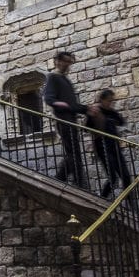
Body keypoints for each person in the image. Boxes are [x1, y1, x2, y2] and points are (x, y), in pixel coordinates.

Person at [44, 51, 89, 189]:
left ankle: (71, 180)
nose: (68, 65)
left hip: (71, 120)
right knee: (73, 153)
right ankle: (73, 181)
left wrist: (87, 109)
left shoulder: (66, 80)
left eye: (70, 62)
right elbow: (49, 98)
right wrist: (59, 104)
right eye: (66, 61)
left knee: (74, 153)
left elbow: (73, 105)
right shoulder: (53, 77)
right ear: (57, 61)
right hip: (64, 121)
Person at [88, 89, 132, 197]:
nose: (111, 103)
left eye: (112, 101)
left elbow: (121, 122)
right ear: (102, 100)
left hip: (115, 147)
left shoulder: (111, 112)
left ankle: (132, 206)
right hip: (102, 147)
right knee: (112, 178)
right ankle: (101, 199)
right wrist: (91, 115)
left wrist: (114, 114)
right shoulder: (96, 111)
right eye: (109, 101)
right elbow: (86, 127)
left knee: (126, 177)